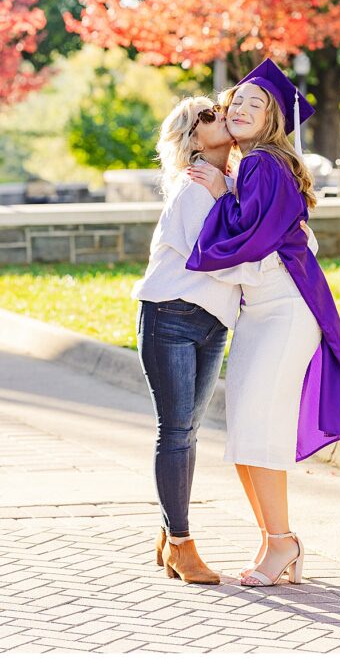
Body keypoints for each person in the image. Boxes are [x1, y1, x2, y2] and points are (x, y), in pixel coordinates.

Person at [186, 59, 340, 588]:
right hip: (263, 312)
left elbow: (250, 237)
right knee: (245, 431)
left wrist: (219, 193)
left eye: (253, 105)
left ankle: (282, 542)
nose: (238, 109)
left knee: (258, 428)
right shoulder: (256, 165)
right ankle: (274, 542)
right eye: (235, 101)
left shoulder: (261, 164)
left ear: (273, 119)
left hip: (284, 311)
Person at [132, 95, 278, 585]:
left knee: (188, 432)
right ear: (194, 138)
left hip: (211, 323)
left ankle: (167, 534)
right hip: (170, 317)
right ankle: (181, 544)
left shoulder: (228, 182)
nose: (226, 116)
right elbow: (221, 253)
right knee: (175, 432)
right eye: (211, 116)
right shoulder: (194, 187)